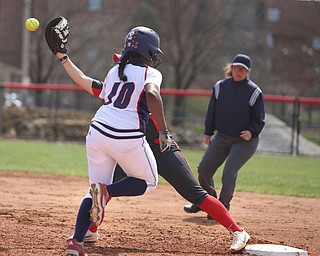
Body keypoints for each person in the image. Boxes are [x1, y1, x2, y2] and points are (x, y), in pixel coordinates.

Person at [80, 54, 252, 254]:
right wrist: (63, 58)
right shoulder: (117, 90)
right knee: (104, 188)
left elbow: (151, 97)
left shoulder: (144, 86)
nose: (122, 66)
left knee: (195, 194)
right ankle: (90, 230)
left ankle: (238, 231)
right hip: (133, 151)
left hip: (161, 151)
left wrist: (164, 133)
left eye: (125, 62)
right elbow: (92, 86)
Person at [46, 19, 172, 256]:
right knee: (149, 183)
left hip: (97, 132)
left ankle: (77, 241)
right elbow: (152, 94)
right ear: (147, 52)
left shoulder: (115, 71)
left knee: (92, 189)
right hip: (127, 138)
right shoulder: (150, 72)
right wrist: (164, 131)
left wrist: (63, 57)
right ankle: (108, 192)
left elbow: (85, 81)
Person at [184, 54, 265, 217]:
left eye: (243, 69)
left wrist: (251, 131)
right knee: (204, 169)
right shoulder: (220, 86)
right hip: (222, 137)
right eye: (236, 68)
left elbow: (260, 119)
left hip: (244, 141)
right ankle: (208, 203)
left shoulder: (254, 92)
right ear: (231, 68)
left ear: (248, 71)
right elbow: (211, 112)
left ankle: (223, 206)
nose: (239, 71)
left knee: (229, 171)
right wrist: (208, 132)